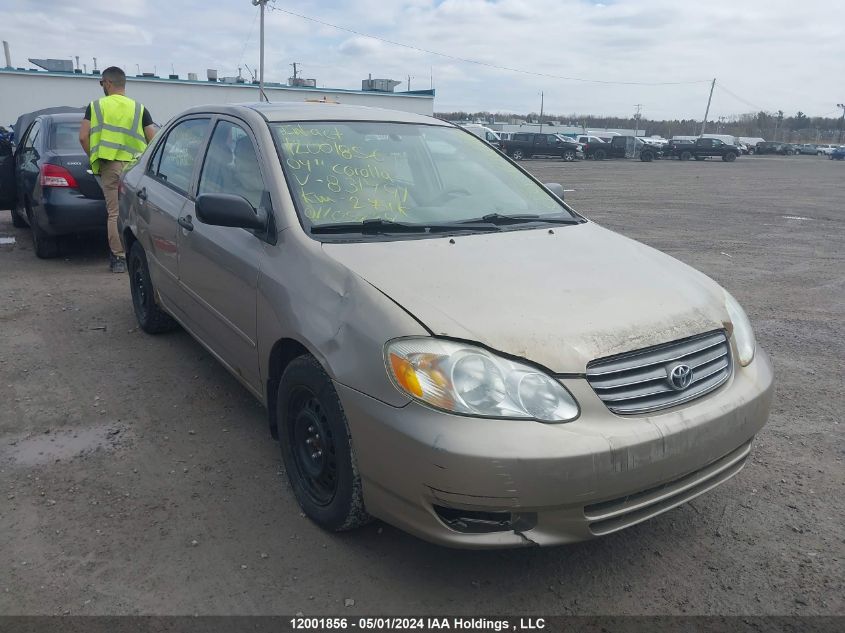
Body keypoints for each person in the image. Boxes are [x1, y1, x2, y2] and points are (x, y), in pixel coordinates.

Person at [79, 66, 157, 272]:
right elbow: (153, 139)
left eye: (101, 83)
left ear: (107, 83)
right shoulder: (139, 108)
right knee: (138, 212)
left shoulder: (96, 107)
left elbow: (83, 137)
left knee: (114, 212)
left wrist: (94, 157)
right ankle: (144, 255)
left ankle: (119, 258)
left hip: (110, 165)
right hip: (135, 169)